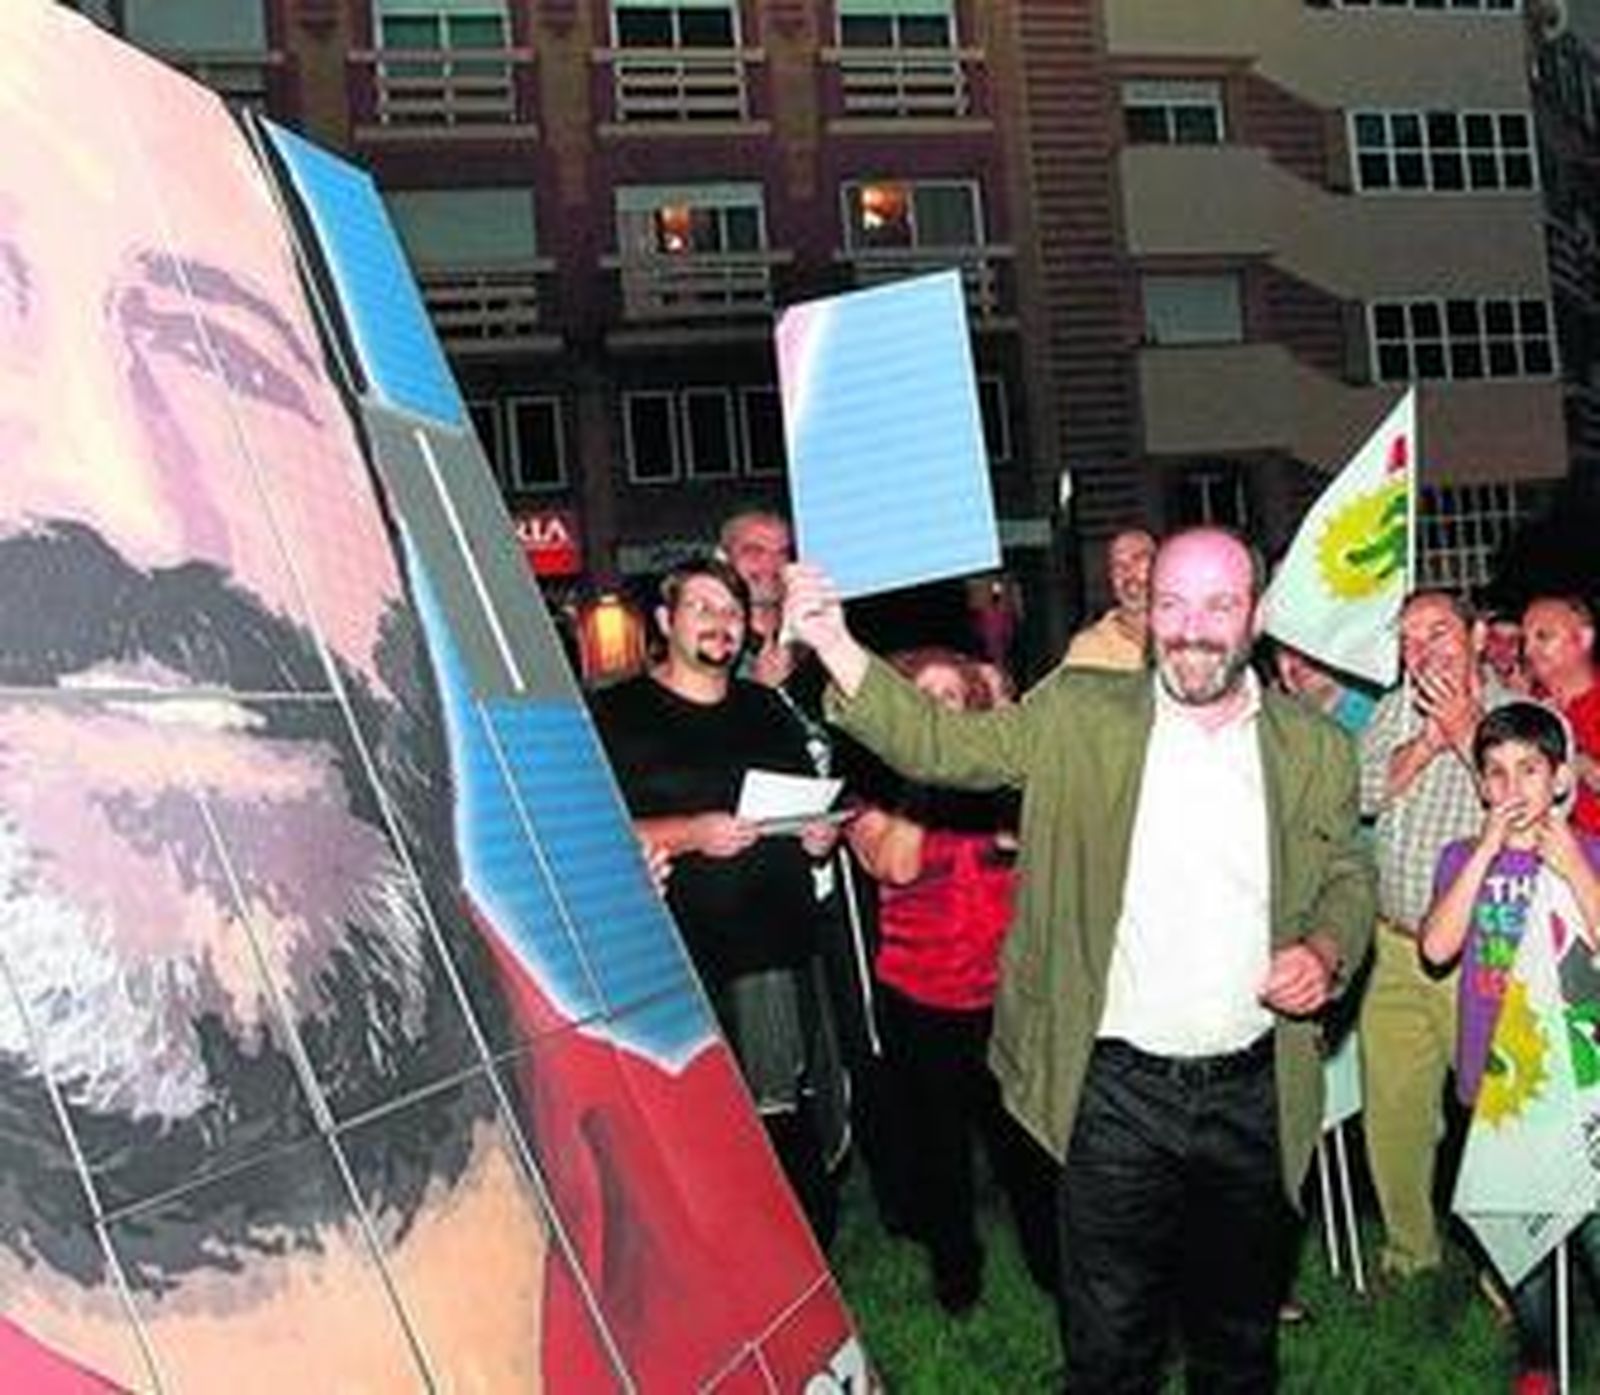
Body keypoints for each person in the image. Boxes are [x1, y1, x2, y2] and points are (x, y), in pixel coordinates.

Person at [0, 7, 857, 1389]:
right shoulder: (617, 726)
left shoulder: (659, 1129)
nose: (134, 500)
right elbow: (624, 850)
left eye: (226, 362)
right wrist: (694, 841)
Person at [785, 527, 1376, 1391]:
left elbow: (1348, 874)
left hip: (1255, 1089)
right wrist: (835, 641)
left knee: (1238, 1341)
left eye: (1218, 604)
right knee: (1107, 1344)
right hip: (1115, 1092)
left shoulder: (1314, 748)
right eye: (1171, 604)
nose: (1192, 628)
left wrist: (1327, 947)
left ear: (1257, 614)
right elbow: (947, 750)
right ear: (1147, 618)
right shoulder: (1078, 712)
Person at [590, 557, 848, 1246]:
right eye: (702, 608)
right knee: (687, 1126)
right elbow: (583, 826)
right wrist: (691, 833)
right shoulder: (613, 713)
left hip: (773, 953)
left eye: (731, 611)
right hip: (672, 956)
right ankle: (714, 1277)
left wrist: (817, 836)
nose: (721, 623)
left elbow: (801, 814)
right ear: (667, 621)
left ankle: (802, 1273)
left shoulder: (768, 709)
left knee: (783, 1122)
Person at [847, 647, 1055, 1314]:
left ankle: (1054, 1267)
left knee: (1026, 1142)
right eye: (925, 695)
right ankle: (956, 1272)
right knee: (939, 1147)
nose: (941, 704)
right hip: (921, 995)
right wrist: (920, 774)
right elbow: (896, 867)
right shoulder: (873, 786)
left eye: (953, 696)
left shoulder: (993, 782)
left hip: (1005, 992)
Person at [1419, 702, 1600, 1395]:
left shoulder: (1591, 850)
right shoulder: (1464, 857)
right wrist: (1488, 852)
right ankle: (1540, 1358)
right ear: (1482, 786)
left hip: (1580, 1081)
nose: (1514, 786)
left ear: (1558, 778)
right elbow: (1437, 947)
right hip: (1497, 1084)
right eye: (1497, 771)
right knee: (1515, 1232)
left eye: (1530, 769)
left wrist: (1572, 863)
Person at [1358, 590, 1509, 1287]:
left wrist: (1468, 730)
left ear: (1477, 636)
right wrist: (1424, 741)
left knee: (1494, 1109)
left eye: (1439, 631)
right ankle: (1410, 1252)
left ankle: (1511, 1263)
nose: (1423, 649)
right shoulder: (1394, 709)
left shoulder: (1518, 717)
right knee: (1393, 1107)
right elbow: (1361, 793)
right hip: (1391, 944)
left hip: (1480, 952)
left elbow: (1535, 811)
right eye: (1409, 637)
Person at [1521, 594, 1600, 836]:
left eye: (1543, 637)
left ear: (1585, 639)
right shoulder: (1525, 704)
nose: (1528, 651)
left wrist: (1569, 753)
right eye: (1525, 640)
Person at [1062, 528, 1156, 671]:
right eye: (1117, 565)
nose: (1128, 573)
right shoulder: (1088, 649)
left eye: (1138, 559)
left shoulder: (1190, 632)